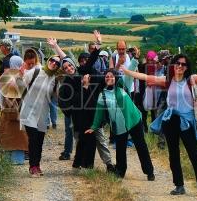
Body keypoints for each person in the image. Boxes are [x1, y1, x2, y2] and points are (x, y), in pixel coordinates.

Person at [121, 55, 197, 196]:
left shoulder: (191, 80)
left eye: (183, 64)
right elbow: (146, 77)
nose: (180, 66)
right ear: (173, 65)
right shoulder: (167, 80)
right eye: (177, 63)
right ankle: (179, 185)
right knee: (173, 154)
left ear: (186, 67)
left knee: (194, 154)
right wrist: (127, 71)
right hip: (170, 120)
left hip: (187, 122)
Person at [50, 32, 115, 172]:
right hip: (79, 116)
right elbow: (69, 101)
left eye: (70, 65)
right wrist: (84, 88)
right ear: (64, 70)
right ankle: (83, 166)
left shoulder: (82, 71)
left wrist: (98, 44)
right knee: (84, 141)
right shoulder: (67, 82)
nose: (69, 68)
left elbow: (90, 60)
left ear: (73, 65)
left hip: (91, 112)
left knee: (95, 140)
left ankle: (95, 165)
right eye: (66, 68)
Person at [85, 69, 155, 181]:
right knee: (120, 149)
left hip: (133, 120)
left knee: (141, 146)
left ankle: (149, 172)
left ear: (116, 77)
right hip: (119, 125)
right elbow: (99, 113)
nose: (109, 78)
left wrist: (134, 60)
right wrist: (94, 127)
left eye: (111, 76)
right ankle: (120, 172)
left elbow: (130, 73)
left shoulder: (122, 85)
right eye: (107, 76)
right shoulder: (102, 94)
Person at [19, 45, 63, 177]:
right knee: (33, 139)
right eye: (52, 60)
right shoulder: (36, 71)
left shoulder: (54, 80)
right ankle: (32, 167)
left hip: (43, 114)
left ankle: (37, 165)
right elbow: (22, 83)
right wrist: (21, 75)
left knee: (39, 141)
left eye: (56, 63)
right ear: (48, 60)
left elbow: (56, 97)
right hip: (28, 112)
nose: (53, 63)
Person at [0, 55, 29, 164]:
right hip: (19, 114)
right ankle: (18, 159)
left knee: (7, 136)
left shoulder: (5, 77)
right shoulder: (23, 77)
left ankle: (8, 160)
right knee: (19, 138)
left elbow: (1, 97)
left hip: (7, 113)